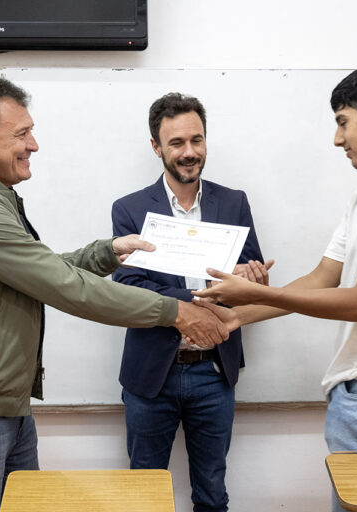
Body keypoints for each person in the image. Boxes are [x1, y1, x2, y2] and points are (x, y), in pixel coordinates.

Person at [0, 76, 228, 512]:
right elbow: (64, 287)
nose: (33, 144)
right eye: (21, 134)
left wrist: (107, 252)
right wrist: (176, 312)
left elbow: (40, 269)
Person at [192, 62, 357, 511]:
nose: (337, 139)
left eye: (342, 122)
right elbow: (322, 278)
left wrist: (256, 293)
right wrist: (237, 316)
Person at [111, 92, 271, 512]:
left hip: (214, 372)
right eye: (177, 143)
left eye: (196, 141)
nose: (189, 153)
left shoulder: (233, 201)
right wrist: (203, 295)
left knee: (213, 493)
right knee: (144, 495)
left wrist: (254, 279)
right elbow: (129, 287)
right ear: (156, 147)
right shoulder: (129, 210)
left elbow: (249, 270)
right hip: (152, 376)